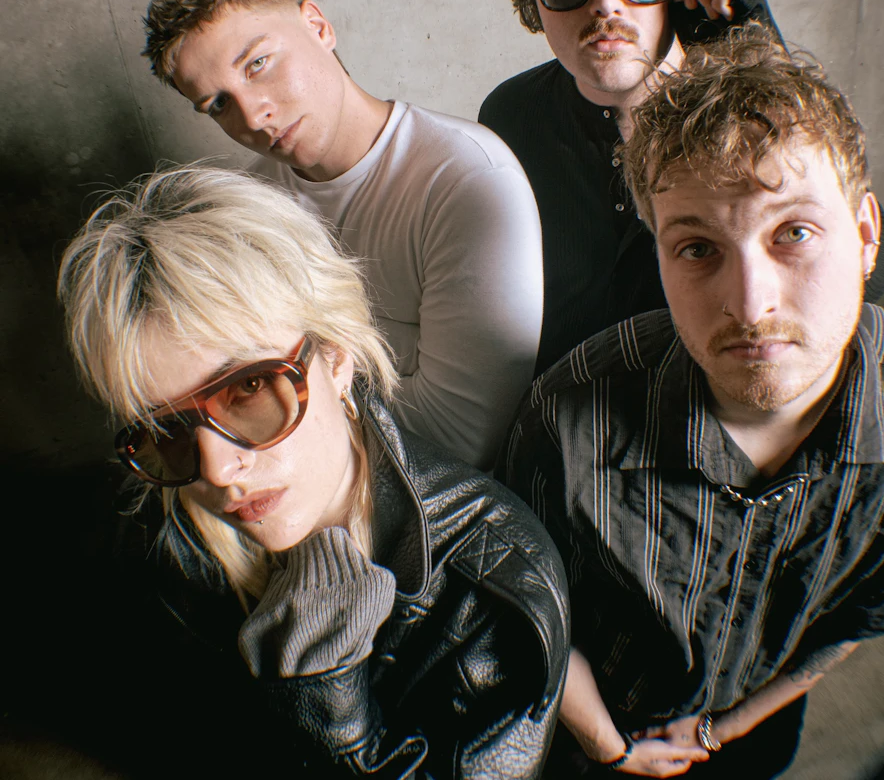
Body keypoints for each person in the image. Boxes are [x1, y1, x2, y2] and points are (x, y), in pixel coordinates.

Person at [497, 26, 884, 778]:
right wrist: (612, 749)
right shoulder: (567, 417)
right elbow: (530, 611)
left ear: (866, 235)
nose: (750, 304)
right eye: (698, 248)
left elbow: (862, 609)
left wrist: (724, 731)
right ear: (658, 254)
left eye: (794, 233)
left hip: (758, 732)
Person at [57, 165, 568, 779]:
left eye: (248, 388)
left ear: (336, 355)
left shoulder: (492, 583)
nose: (216, 469)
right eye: (166, 427)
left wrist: (324, 702)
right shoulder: (154, 526)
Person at [480, 0, 884, 373]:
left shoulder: (739, 117)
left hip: (708, 386)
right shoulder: (511, 116)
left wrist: (762, 65)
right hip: (568, 392)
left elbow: (869, 274)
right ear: (534, 0)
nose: (605, 3)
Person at [142, 0, 543, 469]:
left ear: (317, 26)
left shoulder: (464, 177)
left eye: (258, 64)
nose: (253, 115)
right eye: (219, 104)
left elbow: (457, 437)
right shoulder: (251, 205)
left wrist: (289, 404)